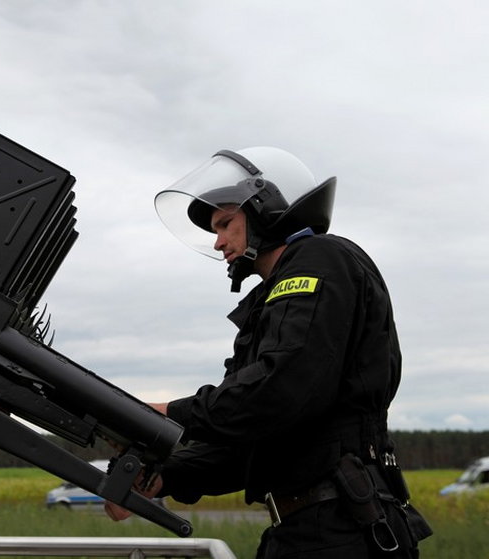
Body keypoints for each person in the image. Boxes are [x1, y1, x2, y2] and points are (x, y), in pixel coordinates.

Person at [105, 147, 432, 558]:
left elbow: (281, 390)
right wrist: (165, 478)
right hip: (301, 530)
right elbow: (247, 438)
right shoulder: (269, 302)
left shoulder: (319, 258)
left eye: (226, 224)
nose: (220, 242)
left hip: (341, 531)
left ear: (266, 209)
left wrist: (169, 413)